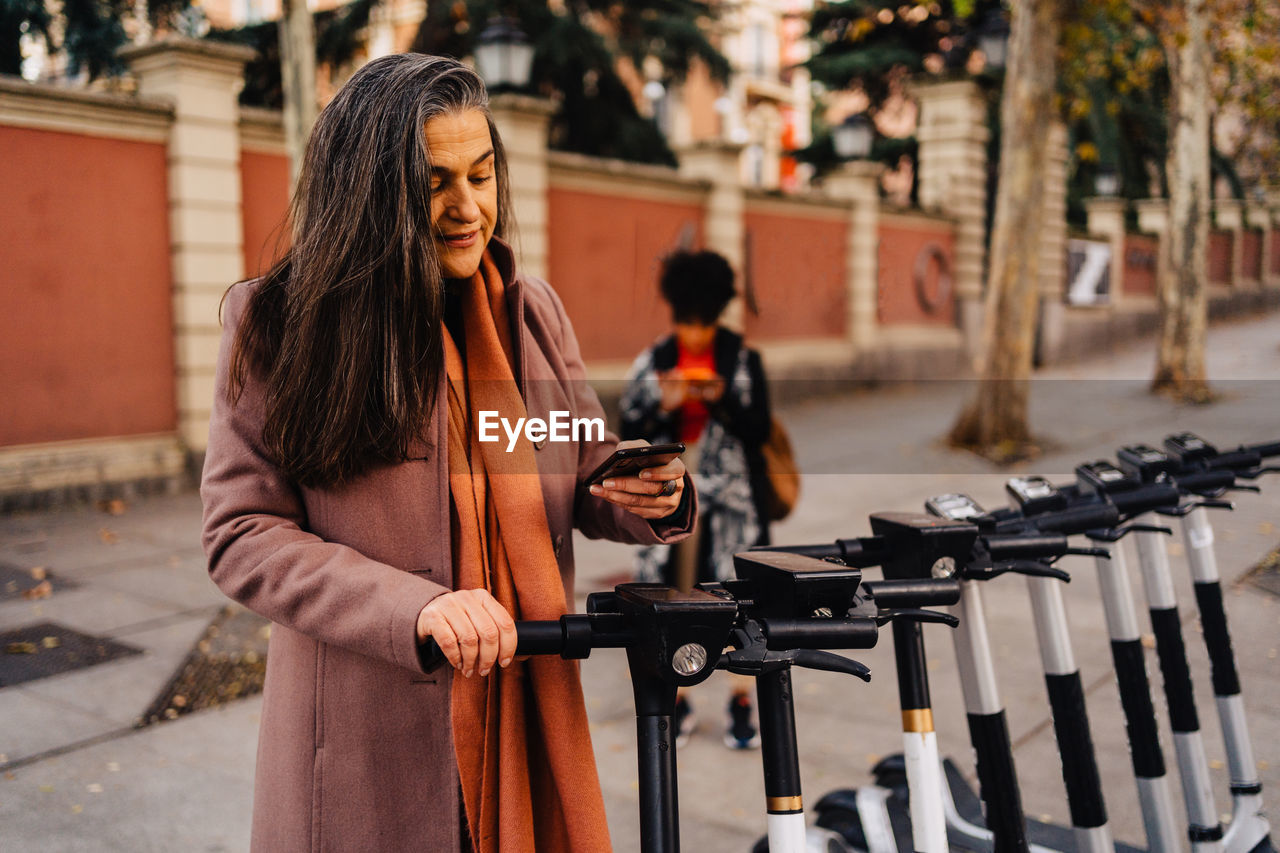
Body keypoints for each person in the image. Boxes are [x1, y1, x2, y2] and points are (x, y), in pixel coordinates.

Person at [200, 55, 694, 853]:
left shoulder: (532, 312)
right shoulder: (275, 324)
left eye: (482, 174)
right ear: (370, 195)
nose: (469, 208)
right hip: (366, 749)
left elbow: (578, 460)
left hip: (527, 707)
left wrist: (639, 490)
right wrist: (417, 608)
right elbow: (241, 534)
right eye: (435, 183)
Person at [619, 249, 773, 750]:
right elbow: (627, 433)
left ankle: (740, 700)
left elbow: (761, 430)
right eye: (687, 322)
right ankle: (676, 699)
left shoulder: (744, 360)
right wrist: (663, 406)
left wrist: (720, 399)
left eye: (702, 322)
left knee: (736, 598)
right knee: (667, 597)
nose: (694, 333)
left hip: (733, 507)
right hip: (671, 502)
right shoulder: (655, 359)